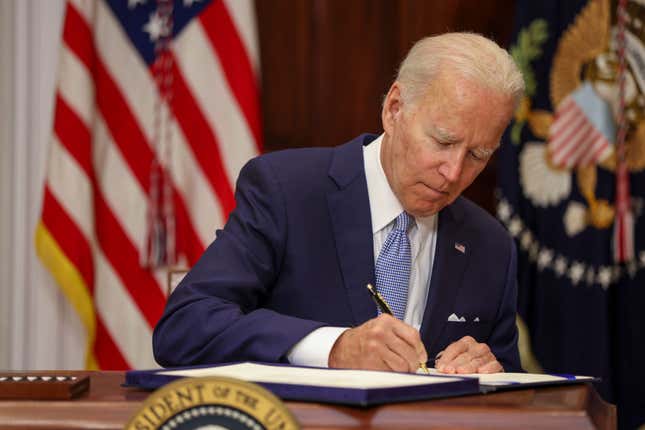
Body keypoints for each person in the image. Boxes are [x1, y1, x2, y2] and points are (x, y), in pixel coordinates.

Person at [153, 32, 525, 374]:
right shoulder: (287, 192)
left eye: (477, 155)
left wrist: (488, 371)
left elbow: (515, 394)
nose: (454, 171)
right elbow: (185, 328)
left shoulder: (490, 245)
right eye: (443, 142)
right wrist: (333, 348)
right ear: (394, 109)